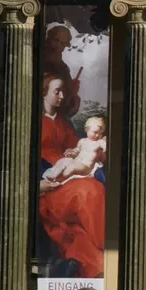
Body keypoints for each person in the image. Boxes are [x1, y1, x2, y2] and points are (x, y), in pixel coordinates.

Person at [37, 74, 106, 278]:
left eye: (63, 92)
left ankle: (94, 259)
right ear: (44, 93)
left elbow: (77, 151)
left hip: (65, 181)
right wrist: (37, 185)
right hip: (48, 188)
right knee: (88, 190)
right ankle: (101, 243)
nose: (61, 96)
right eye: (56, 91)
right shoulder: (32, 122)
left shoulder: (64, 123)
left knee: (78, 233)